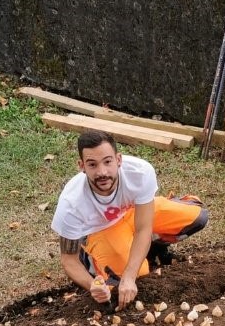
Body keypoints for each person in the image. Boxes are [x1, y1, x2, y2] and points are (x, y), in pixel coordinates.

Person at [52, 130, 208, 309]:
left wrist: (129, 276)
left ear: (118, 160)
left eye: (108, 162)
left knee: (197, 218)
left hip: (135, 213)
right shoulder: (71, 203)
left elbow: (143, 228)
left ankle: (152, 247)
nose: (102, 172)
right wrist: (91, 286)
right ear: (81, 166)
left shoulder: (140, 172)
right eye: (92, 165)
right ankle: (89, 257)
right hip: (102, 230)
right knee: (138, 273)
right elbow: (68, 260)